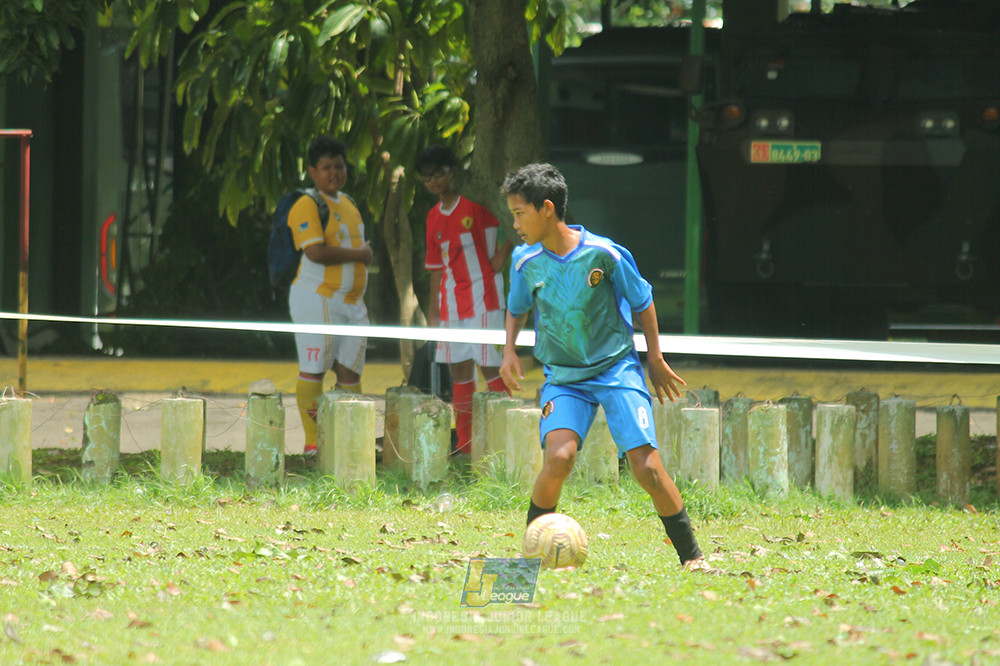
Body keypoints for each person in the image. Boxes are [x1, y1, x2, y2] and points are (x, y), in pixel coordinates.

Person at [498, 162, 703, 566]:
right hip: (564, 378)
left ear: (547, 209)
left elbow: (643, 300)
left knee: (646, 468)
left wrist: (655, 359)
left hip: (616, 370)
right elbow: (517, 308)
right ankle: (529, 559)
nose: (516, 224)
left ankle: (692, 558)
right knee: (559, 458)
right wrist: (508, 351)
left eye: (520, 214)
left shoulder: (604, 253)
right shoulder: (524, 261)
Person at [419, 145, 512, 453]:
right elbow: (435, 269)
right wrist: (434, 310)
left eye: (439, 173)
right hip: (451, 305)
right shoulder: (432, 218)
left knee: (491, 369)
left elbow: (505, 235)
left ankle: (508, 440)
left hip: (485, 300)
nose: (434, 181)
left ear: (453, 172)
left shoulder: (475, 207)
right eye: (427, 176)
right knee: (459, 373)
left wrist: (500, 261)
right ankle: (466, 445)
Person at [288, 136, 373, 455]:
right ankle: (314, 444)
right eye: (326, 167)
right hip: (317, 298)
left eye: (339, 166)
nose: (333, 173)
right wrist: (360, 255)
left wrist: (362, 255)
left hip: (352, 304)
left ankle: (352, 444)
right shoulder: (306, 204)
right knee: (314, 369)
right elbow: (314, 252)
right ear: (312, 171)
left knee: (350, 370)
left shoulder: (348, 203)